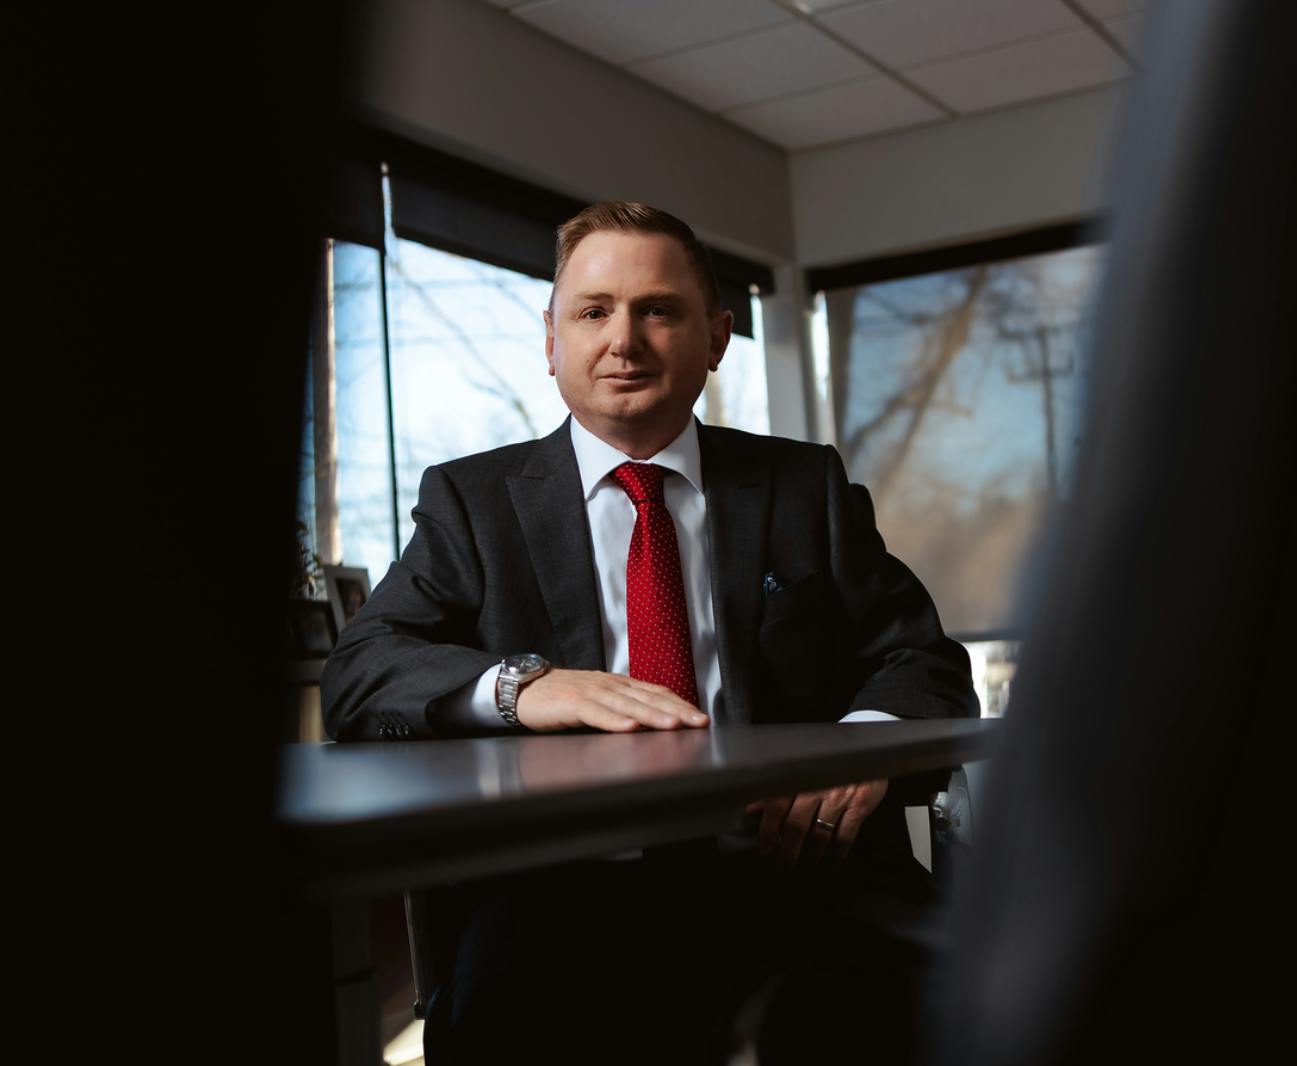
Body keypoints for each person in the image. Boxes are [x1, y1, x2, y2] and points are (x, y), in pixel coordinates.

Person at [321, 201, 977, 1064]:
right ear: (550, 342)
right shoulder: (471, 503)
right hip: (560, 901)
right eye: (592, 312)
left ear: (716, 338)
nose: (622, 341)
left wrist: (860, 748)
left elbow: (923, 658)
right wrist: (526, 687)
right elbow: (361, 670)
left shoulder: (802, 485)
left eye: (657, 310)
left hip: (796, 872)